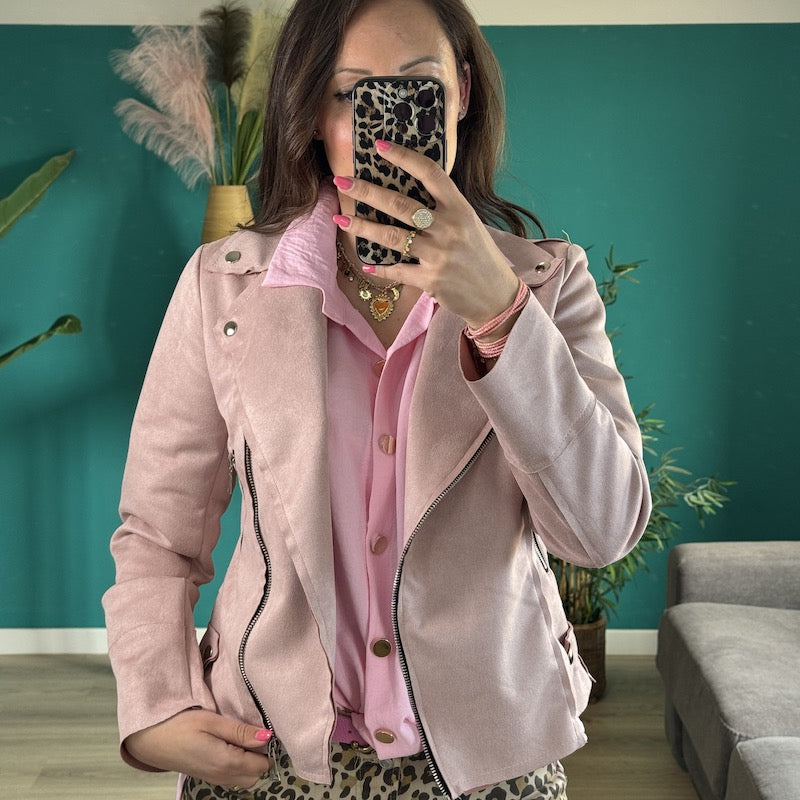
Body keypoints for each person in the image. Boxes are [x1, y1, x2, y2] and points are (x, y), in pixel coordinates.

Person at [103, 0, 651, 798]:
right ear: (313, 113)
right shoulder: (222, 287)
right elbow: (158, 531)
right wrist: (155, 703)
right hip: (270, 755)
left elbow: (600, 533)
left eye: (416, 89)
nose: (383, 129)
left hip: (490, 759)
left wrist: (501, 314)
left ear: (461, 95)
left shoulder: (548, 284)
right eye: (349, 94)